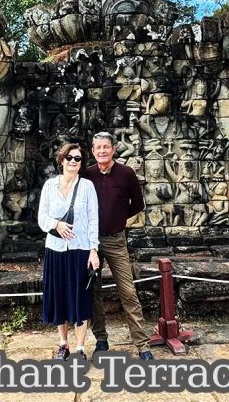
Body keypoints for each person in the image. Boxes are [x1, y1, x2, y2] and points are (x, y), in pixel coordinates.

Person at [81, 132, 153, 360]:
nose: (102, 151)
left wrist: (118, 217)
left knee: (128, 291)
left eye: (106, 147)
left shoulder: (126, 173)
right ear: (93, 151)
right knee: (93, 290)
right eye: (98, 147)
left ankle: (142, 345)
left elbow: (137, 205)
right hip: (90, 241)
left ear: (113, 149)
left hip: (115, 239)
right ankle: (101, 339)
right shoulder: (87, 174)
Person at [38, 142, 100, 360]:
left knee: (80, 297)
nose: (74, 162)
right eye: (70, 158)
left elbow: (93, 220)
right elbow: (42, 218)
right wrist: (57, 225)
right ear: (61, 160)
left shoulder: (86, 187)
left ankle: (81, 347)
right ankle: (63, 344)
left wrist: (94, 250)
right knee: (60, 297)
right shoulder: (49, 186)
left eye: (78, 159)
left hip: (80, 248)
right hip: (55, 249)